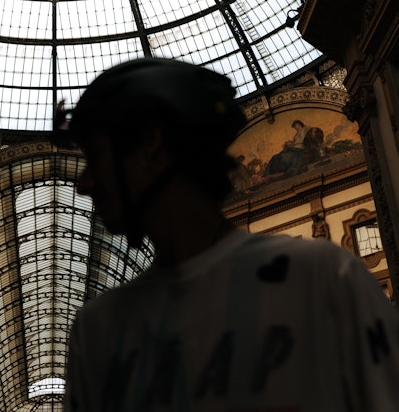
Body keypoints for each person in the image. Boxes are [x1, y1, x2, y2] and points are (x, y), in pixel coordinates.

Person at [64, 57, 399, 412]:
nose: (84, 184)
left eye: (95, 157)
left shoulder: (320, 279)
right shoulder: (96, 331)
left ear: (150, 142)